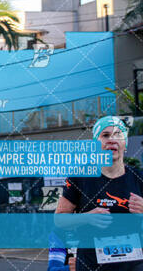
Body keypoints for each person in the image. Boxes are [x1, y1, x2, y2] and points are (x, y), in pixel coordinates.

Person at [55, 116, 143, 271]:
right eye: (105, 135)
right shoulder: (80, 177)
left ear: (125, 144)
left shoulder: (139, 178)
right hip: (91, 264)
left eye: (118, 135)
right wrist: (87, 217)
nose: (112, 140)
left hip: (134, 265)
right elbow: (59, 220)